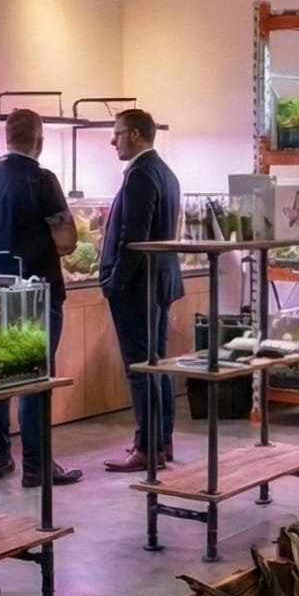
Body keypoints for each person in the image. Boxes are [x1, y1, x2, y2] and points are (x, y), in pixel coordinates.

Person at [0, 109, 82, 488]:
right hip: (38, 294)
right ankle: (36, 465)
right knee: (34, 376)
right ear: (39, 141)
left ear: (6, 139)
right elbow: (67, 241)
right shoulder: (41, 180)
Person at [98, 108, 183, 472]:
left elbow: (133, 238)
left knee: (141, 369)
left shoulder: (140, 175)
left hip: (137, 288)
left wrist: (114, 283)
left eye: (117, 133)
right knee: (157, 365)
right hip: (159, 283)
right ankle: (162, 441)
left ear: (134, 134)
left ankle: (146, 448)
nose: (112, 140)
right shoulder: (166, 172)